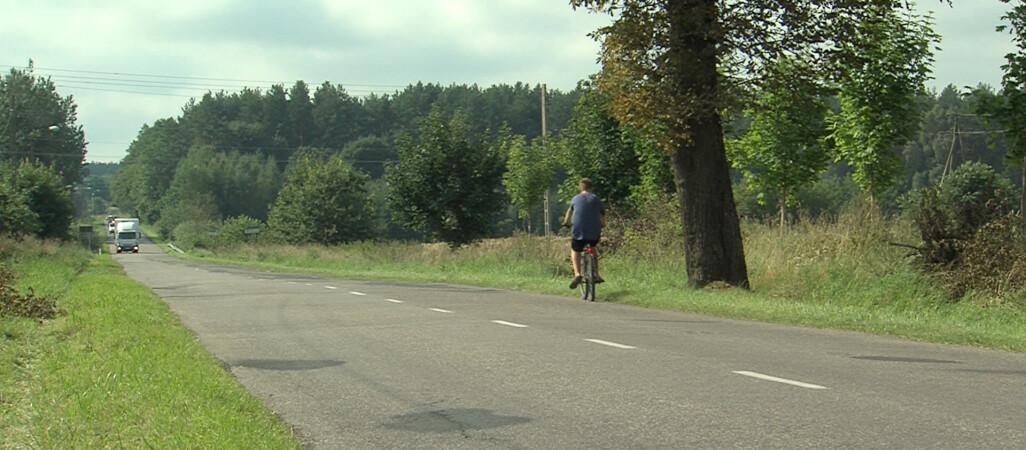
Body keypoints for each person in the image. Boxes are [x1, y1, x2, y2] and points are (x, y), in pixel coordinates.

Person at [562, 177, 605, 289]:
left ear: (580, 189)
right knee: (593, 247)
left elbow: (569, 213)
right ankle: (595, 274)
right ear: (591, 188)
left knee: (575, 249)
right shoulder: (595, 198)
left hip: (578, 229)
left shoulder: (575, 198)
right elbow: (602, 214)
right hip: (594, 230)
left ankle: (577, 274)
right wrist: (603, 224)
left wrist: (566, 223)